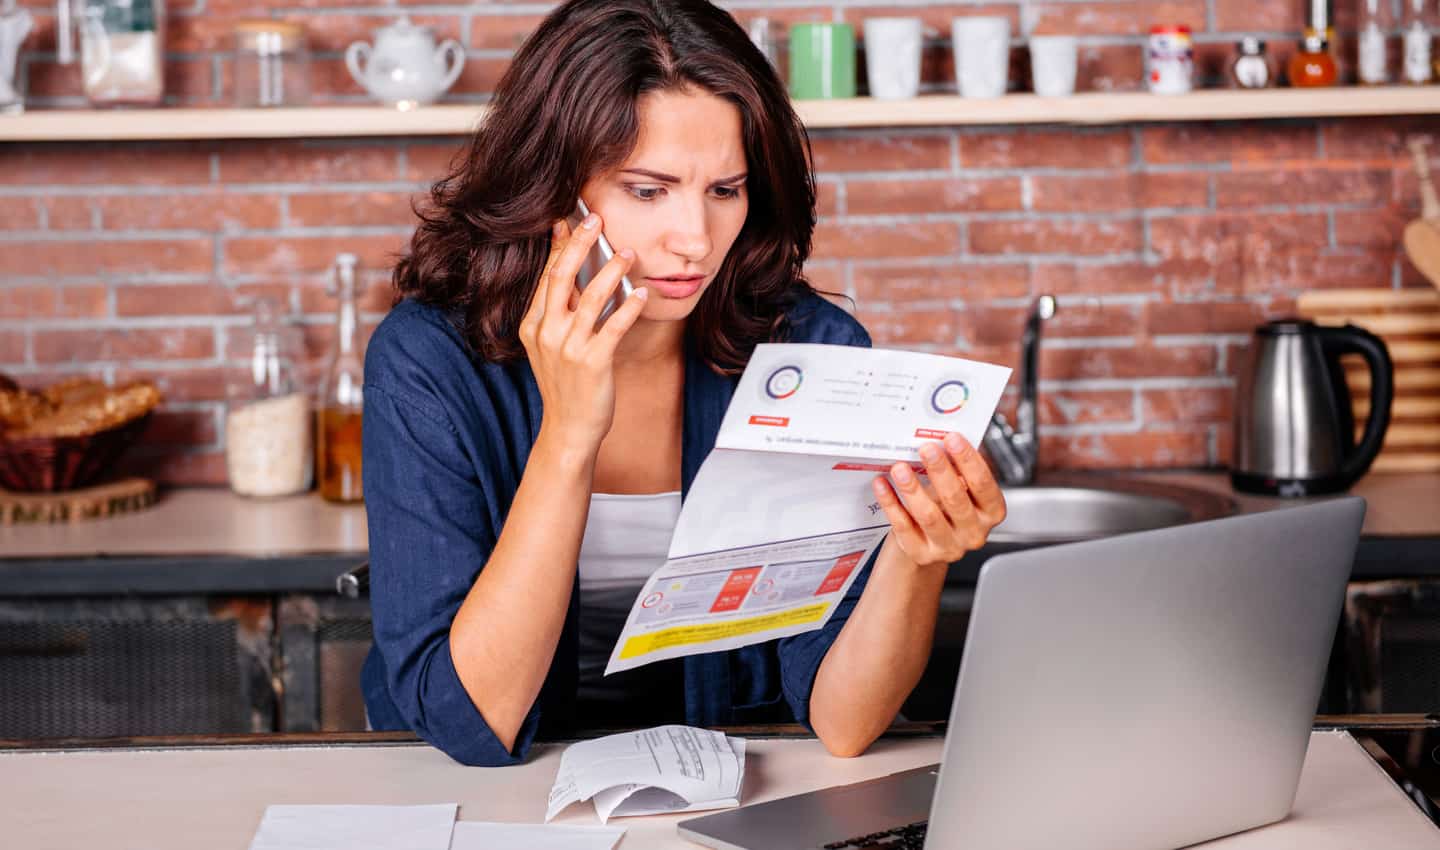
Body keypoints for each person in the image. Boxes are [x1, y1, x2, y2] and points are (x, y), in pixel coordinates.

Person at [361, 0, 1007, 767]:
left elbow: (845, 722)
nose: (694, 240)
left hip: (732, 775)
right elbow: (475, 722)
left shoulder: (809, 349)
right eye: (646, 190)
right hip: (497, 787)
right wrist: (569, 436)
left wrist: (919, 556)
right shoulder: (429, 362)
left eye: (724, 191)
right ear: (554, 190)